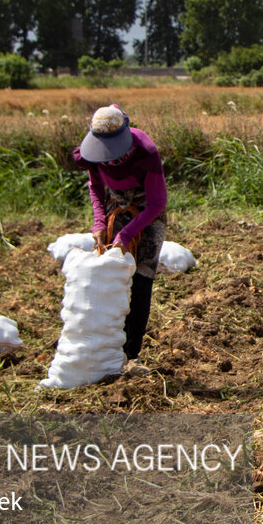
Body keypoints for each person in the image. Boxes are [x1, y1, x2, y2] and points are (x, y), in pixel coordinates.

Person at [72, 105, 167, 362]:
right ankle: (106, 346)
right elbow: (95, 187)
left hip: (147, 214)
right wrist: (99, 223)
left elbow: (158, 202)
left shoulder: (146, 153)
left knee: (140, 280)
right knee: (110, 277)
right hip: (116, 208)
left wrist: (125, 236)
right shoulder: (91, 154)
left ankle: (130, 353)